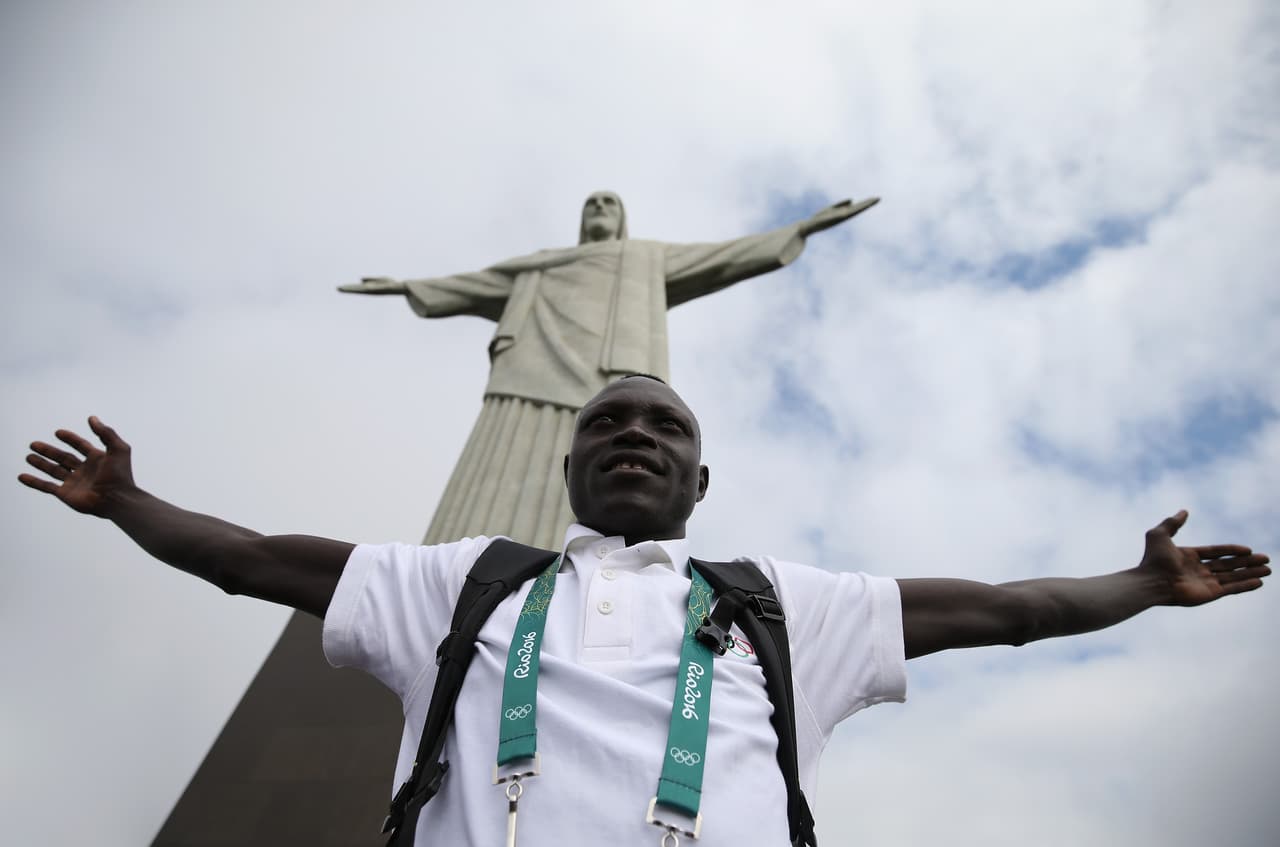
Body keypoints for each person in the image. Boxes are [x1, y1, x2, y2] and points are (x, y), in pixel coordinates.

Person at [18, 377, 1270, 846]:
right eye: (606, 423)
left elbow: (1007, 609)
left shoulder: (784, 606)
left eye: (661, 425)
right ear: (570, 468)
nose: (631, 435)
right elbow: (252, 560)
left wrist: (1143, 586)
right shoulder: (462, 584)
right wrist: (130, 502)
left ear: (698, 478)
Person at [339, 191, 877, 549]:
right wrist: (407, 286)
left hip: (612, 378)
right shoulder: (540, 264)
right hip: (527, 372)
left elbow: (725, 258)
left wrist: (802, 227)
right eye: (591, 201)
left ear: (620, 219)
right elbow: (473, 284)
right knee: (503, 462)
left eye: (608, 202)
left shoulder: (644, 257)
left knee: (610, 448)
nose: (598, 206)